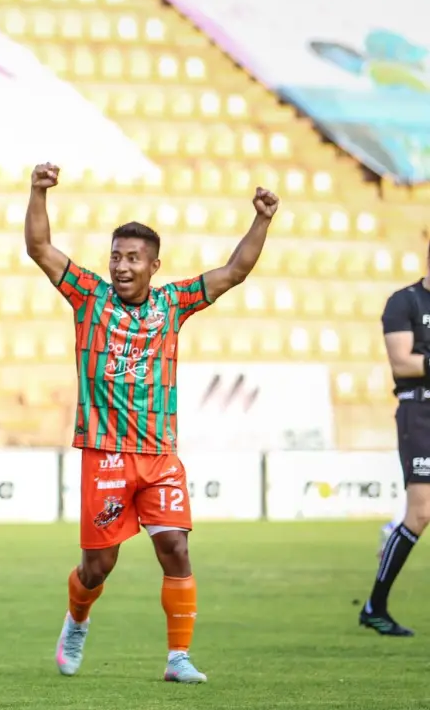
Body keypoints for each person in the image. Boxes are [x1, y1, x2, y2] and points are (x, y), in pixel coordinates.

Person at [25, 162, 279, 683]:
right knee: (99, 567)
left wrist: (262, 220)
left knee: (176, 547)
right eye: (116, 256)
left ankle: (178, 658)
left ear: (154, 266)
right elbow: (39, 248)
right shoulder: (88, 296)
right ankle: (77, 619)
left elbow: (233, 272)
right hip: (106, 454)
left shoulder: (172, 304)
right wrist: (38, 192)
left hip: (160, 456)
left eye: (132, 258)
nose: (121, 266)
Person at [359, 258, 430, 637]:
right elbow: (402, 362)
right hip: (421, 412)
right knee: (420, 514)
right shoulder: (405, 302)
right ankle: (375, 606)